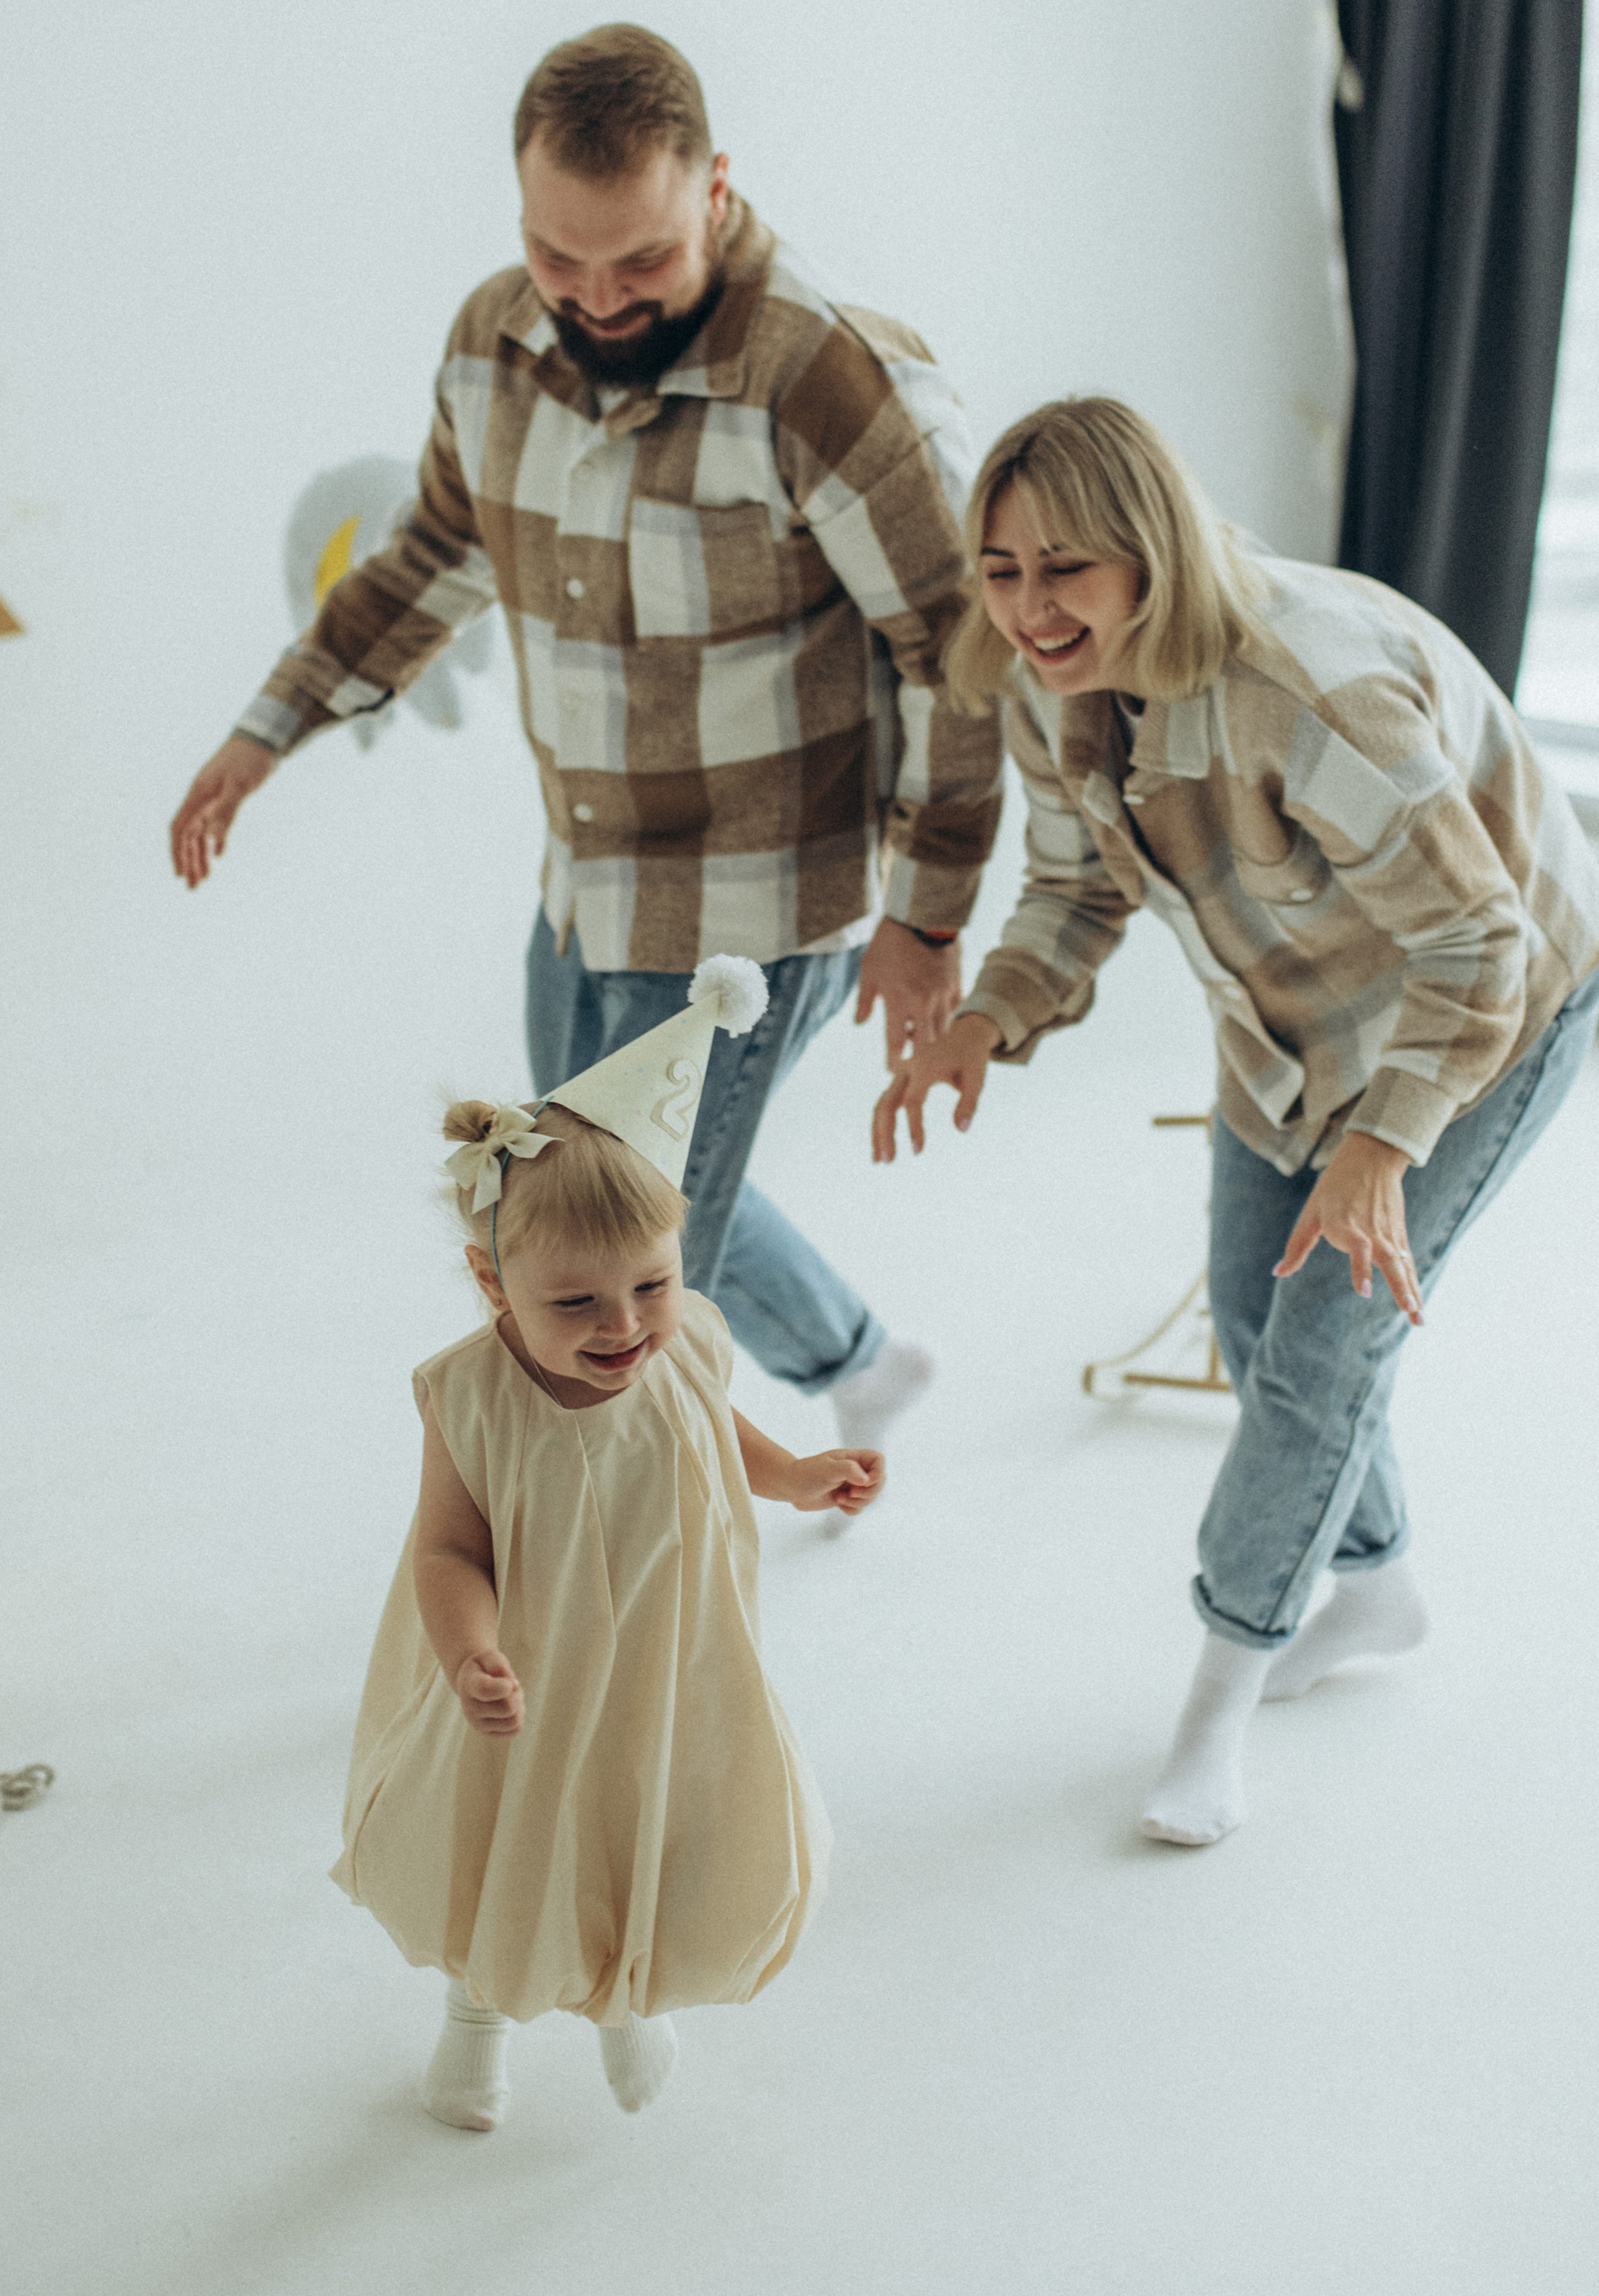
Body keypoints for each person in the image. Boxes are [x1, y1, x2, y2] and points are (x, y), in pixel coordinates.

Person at [168, 22, 1002, 1453]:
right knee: (593, 1200)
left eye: (642, 262)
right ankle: (861, 1363)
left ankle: (610, 1574)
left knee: (608, 1277)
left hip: (755, 913)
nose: (597, 299)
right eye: (562, 258)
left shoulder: (824, 378)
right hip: (586, 886)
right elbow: (436, 549)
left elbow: (956, 657)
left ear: (716, 192)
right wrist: (270, 731)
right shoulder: (495, 339)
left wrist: (926, 919)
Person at [873, 397, 1599, 1846]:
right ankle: (1377, 1587)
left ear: (1147, 552)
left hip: (1479, 1010)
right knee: (1254, 1323)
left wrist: (1381, 1150)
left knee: (1321, 1350)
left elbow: (1478, 950)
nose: (1027, 607)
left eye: (1063, 568)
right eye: (1002, 570)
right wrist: (984, 1018)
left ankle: (1215, 1695)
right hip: (1284, 1014)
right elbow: (1078, 885)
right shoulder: (1040, 674)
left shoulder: (1305, 691)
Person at [334, 959, 881, 2129]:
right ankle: (476, 2017)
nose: (624, 1326)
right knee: (516, 1847)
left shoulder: (685, 1345)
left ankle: (628, 1997)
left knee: (652, 1825)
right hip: (530, 1680)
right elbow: (446, 1549)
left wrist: (790, 1473)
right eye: (576, 1303)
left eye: (652, 1285)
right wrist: (472, 1652)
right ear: (493, 1284)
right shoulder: (472, 1398)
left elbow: (710, 1427)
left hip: (669, 1659)